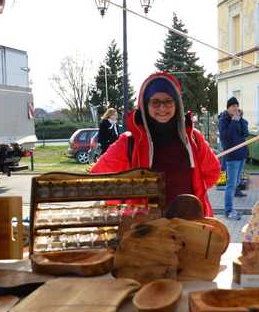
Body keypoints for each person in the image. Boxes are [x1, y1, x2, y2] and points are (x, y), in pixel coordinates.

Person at [91, 72, 221, 216]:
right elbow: (99, 179)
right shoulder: (129, 142)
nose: (162, 108)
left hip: (189, 227)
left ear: (177, 104)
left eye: (168, 101)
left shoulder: (193, 138)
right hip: (146, 232)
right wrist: (127, 208)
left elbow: (213, 172)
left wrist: (194, 192)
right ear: (145, 105)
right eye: (155, 102)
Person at [218, 97, 249, 220]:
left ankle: (232, 208)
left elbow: (245, 133)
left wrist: (241, 120)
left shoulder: (238, 119)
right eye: (233, 106)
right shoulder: (223, 120)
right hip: (232, 156)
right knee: (231, 184)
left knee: (236, 183)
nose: (235, 108)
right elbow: (226, 137)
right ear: (228, 108)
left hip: (241, 155)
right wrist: (234, 121)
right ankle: (228, 210)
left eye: (237, 106)